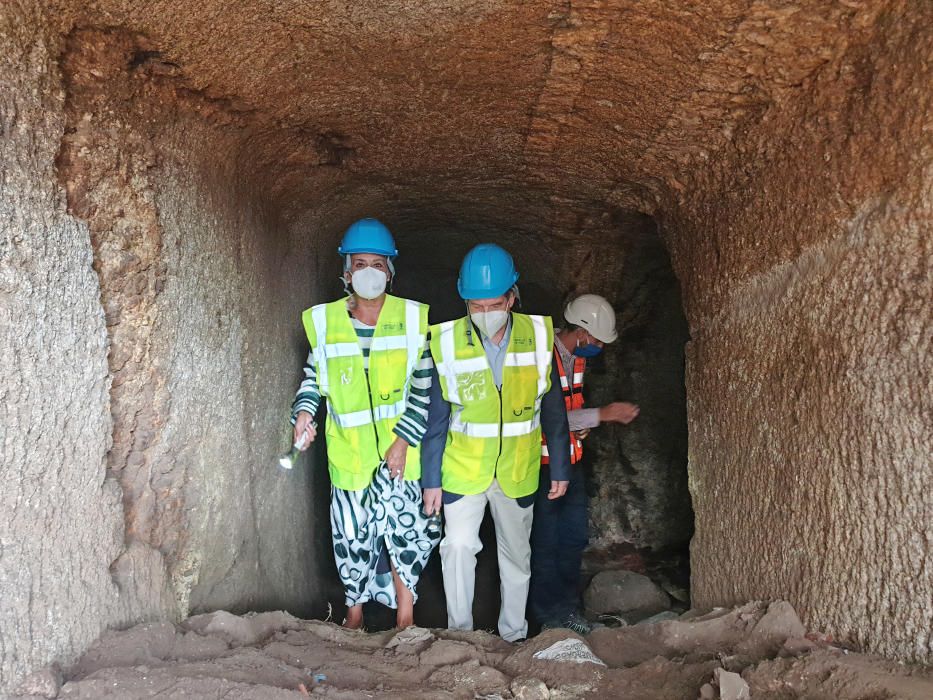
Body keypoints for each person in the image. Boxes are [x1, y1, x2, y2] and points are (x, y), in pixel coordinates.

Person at [290, 218, 439, 630]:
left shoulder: (412, 320)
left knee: (406, 535)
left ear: (391, 271)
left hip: (400, 455)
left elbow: (424, 389)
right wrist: (304, 414)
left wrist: (403, 441)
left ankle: (405, 616)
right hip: (350, 454)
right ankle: (353, 614)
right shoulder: (325, 322)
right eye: (359, 263)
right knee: (352, 538)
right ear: (345, 271)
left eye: (377, 263)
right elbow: (311, 381)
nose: (368, 272)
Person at [421, 243, 571, 643]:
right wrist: (430, 480)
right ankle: (460, 635)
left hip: (517, 470)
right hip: (463, 468)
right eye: (475, 306)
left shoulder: (539, 337)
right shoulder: (446, 341)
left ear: (511, 297)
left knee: (517, 559)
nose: (485, 314)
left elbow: (553, 409)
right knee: (456, 547)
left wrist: (560, 465)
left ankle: (513, 636)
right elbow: (436, 420)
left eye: (493, 304)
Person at [528, 293, 640, 633]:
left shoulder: (575, 358)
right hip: (542, 466)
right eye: (598, 341)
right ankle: (545, 618)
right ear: (582, 333)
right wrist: (602, 415)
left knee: (573, 538)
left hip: (570, 463)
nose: (600, 349)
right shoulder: (539, 355)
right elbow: (548, 415)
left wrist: (582, 429)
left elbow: (569, 413)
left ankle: (569, 612)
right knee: (545, 544)